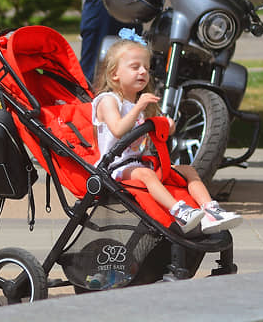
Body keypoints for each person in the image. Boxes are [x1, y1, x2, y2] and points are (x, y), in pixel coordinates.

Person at [93, 37, 242, 235]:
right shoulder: (108, 101)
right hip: (115, 166)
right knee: (146, 175)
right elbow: (118, 130)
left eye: (146, 67)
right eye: (135, 67)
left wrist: (167, 125)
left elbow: (161, 127)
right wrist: (139, 108)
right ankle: (179, 211)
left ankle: (210, 211)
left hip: (140, 163)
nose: (143, 72)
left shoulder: (142, 102)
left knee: (188, 170)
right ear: (114, 74)